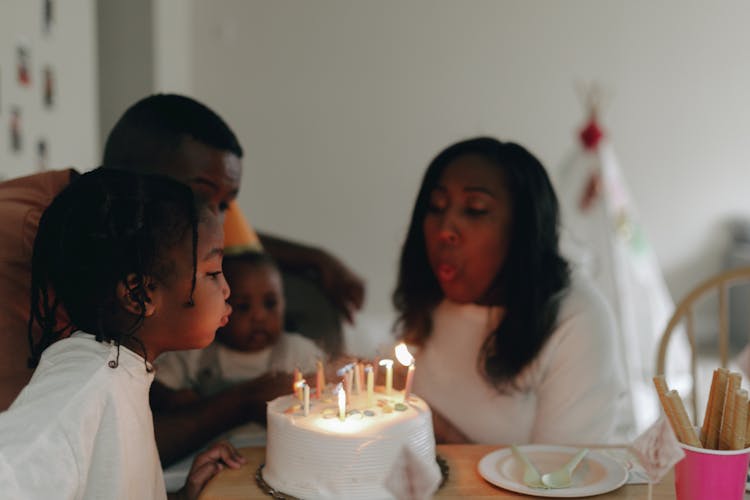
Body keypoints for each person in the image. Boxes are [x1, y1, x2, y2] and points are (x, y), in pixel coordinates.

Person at [0, 93, 363, 461]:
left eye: (226, 205)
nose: (215, 220)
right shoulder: (23, 249)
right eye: (203, 196)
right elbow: (45, 453)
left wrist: (312, 259)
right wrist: (243, 400)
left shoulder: (110, 232)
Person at [0, 169, 245, 500]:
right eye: (213, 273)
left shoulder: (122, 370)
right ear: (140, 295)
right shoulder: (86, 384)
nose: (227, 289)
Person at [392, 137, 632, 444]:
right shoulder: (435, 298)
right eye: (435, 207)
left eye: (475, 209)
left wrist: (431, 428)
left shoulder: (576, 320)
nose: (445, 229)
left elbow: (560, 478)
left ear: (522, 230)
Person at [153, 250, 324, 406]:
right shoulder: (195, 353)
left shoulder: (297, 351)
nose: (259, 317)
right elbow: (155, 386)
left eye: (270, 304)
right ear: (219, 307)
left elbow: (325, 384)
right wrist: (173, 398)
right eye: (243, 307)